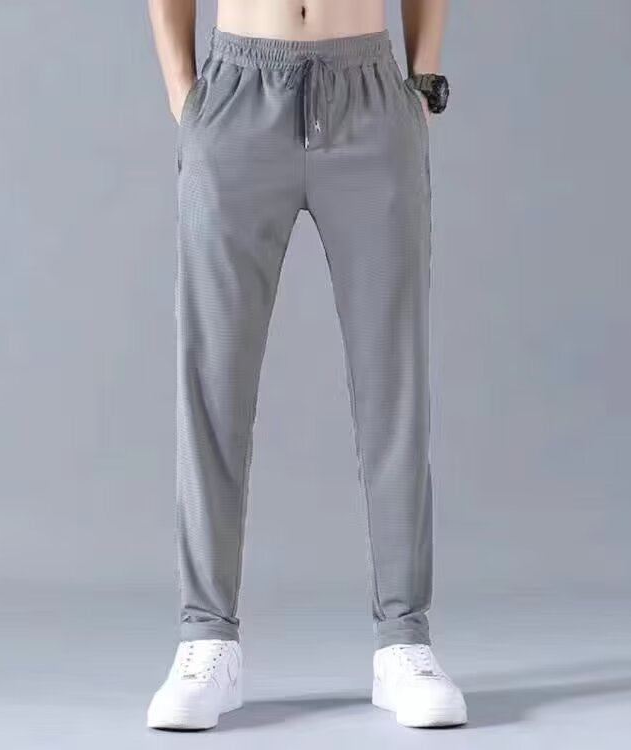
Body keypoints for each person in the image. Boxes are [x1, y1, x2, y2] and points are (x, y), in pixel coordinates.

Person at [146, 0, 465, 730]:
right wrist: (184, 95)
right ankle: (206, 637)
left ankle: (404, 640)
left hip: (368, 95)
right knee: (213, 380)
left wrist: (422, 82)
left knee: (394, 379)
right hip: (236, 93)